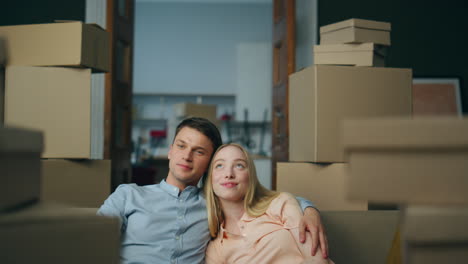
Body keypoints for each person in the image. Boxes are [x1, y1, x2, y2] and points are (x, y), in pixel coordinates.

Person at [98, 117, 328, 263]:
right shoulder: (128, 195)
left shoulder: (216, 203)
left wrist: (309, 209)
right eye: (181, 146)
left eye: (199, 151)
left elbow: (265, 199)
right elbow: (90, 239)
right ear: (170, 151)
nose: (186, 156)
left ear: (210, 163)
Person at [205, 143, 334, 264]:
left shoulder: (280, 203)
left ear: (250, 176)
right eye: (219, 166)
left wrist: (310, 209)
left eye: (239, 165)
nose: (229, 174)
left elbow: (317, 259)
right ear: (210, 178)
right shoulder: (215, 249)